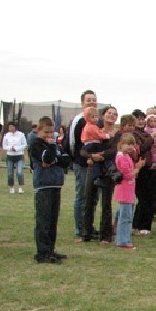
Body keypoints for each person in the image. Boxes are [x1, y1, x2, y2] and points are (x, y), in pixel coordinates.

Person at [30, 116, 70, 264]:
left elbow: (66, 160)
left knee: (53, 220)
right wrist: (52, 152)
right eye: (46, 132)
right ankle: (42, 253)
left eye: (51, 132)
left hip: (56, 184)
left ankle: (50, 249)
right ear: (39, 130)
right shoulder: (36, 144)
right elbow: (46, 159)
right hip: (44, 185)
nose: (49, 135)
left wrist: (55, 160)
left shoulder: (55, 144)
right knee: (44, 220)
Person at [81, 106, 118, 244]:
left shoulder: (117, 133)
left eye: (114, 114)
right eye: (109, 113)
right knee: (89, 200)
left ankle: (105, 235)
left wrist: (99, 155)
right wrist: (91, 156)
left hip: (108, 170)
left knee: (106, 203)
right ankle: (86, 233)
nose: (112, 115)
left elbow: (114, 150)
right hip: (93, 168)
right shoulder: (94, 128)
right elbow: (83, 149)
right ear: (103, 115)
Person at [68, 89, 98, 241]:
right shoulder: (79, 120)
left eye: (94, 99)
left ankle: (89, 226)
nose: (92, 102)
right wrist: (80, 158)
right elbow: (73, 144)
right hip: (82, 164)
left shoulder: (96, 120)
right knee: (82, 196)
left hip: (95, 164)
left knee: (93, 197)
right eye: (88, 100)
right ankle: (80, 228)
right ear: (82, 102)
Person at [114, 133, 144, 250]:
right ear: (121, 145)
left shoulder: (126, 156)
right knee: (125, 217)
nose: (130, 147)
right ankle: (123, 241)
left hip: (128, 191)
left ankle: (123, 239)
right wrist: (138, 168)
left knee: (125, 215)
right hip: (125, 191)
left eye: (132, 144)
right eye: (128, 144)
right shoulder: (121, 157)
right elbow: (128, 175)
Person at [131, 109, 156, 235]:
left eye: (142, 119)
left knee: (150, 198)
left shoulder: (145, 133)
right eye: (138, 119)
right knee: (143, 198)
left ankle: (143, 225)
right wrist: (151, 138)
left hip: (150, 168)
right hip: (141, 169)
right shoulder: (133, 135)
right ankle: (140, 225)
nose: (141, 121)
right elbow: (141, 149)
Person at [80, 106, 112, 186]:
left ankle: (98, 176)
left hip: (90, 144)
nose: (96, 119)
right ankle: (101, 174)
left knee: (96, 161)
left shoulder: (90, 126)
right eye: (93, 117)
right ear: (87, 118)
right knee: (100, 158)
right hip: (93, 144)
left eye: (96, 117)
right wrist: (107, 135)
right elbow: (98, 135)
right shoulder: (91, 127)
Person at [2, 122, 27, 193]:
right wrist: (10, 148)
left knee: (19, 172)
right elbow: (4, 146)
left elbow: (24, 144)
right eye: (9, 127)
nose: (10, 128)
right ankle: (11, 187)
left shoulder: (21, 135)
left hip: (19, 156)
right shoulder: (6, 135)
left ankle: (20, 187)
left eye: (11, 127)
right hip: (10, 156)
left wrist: (17, 148)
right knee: (10, 173)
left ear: (15, 127)